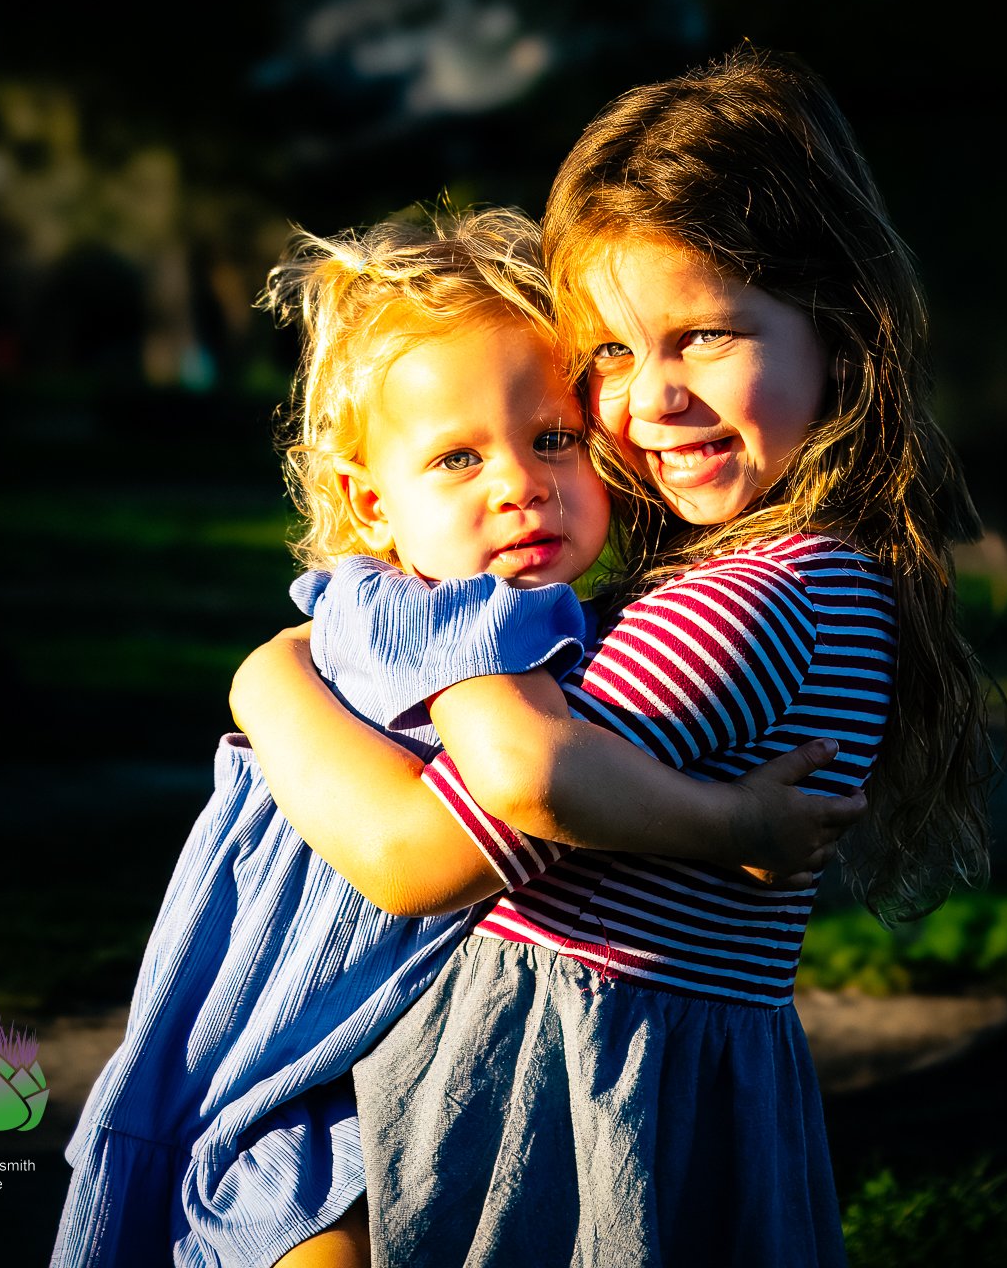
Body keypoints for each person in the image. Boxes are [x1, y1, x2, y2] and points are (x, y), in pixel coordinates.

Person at [231, 47, 992, 1267]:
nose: (652, 401)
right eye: (615, 354)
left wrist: (267, 678)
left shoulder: (758, 601)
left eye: (703, 336)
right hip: (610, 1075)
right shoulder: (777, 573)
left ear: (839, 331)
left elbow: (420, 847)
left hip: (574, 1102)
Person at [55, 206, 861, 1268]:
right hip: (324, 1018)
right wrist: (729, 823)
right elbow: (526, 780)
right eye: (455, 458)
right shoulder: (465, 616)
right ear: (367, 502)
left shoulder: (474, 606)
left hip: (342, 1006)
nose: (517, 483)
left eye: (552, 439)